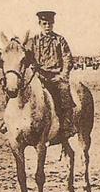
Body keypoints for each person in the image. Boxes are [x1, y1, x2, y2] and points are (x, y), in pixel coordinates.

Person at [26, 10, 75, 139]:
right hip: (38, 77)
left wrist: (63, 75)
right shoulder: (33, 41)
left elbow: (67, 58)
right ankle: (9, 121)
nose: (47, 26)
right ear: (40, 24)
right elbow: (27, 57)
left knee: (65, 93)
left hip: (56, 77)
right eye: (45, 23)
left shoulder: (60, 40)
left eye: (50, 24)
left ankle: (67, 125)